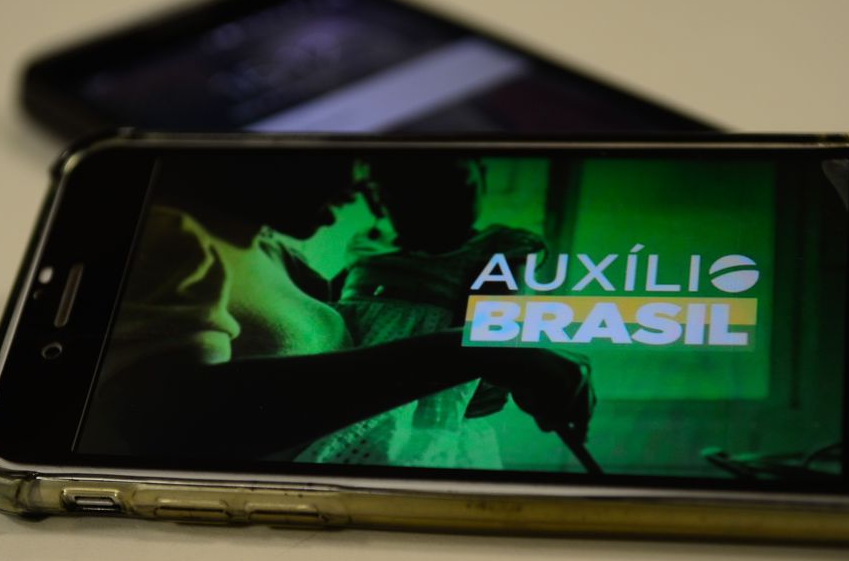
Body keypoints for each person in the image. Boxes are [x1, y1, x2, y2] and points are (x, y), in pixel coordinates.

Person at [87, 153, 595, 464]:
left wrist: (485, 359)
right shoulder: (170, 235)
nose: (359, 181)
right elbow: (175, 422)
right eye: (346, 151)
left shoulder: (273, 252)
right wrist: (474, 353)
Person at [298, 157, 548, 468]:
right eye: (408, 188)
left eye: (455, 183)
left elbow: (492, 343)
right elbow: (322, 312)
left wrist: (493, 373)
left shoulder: (499, 250)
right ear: (376, 198)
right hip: (337, 397)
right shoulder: (367, 247)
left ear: (481, 178)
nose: (436, 199)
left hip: (423, 414)